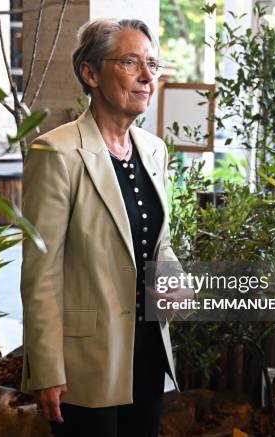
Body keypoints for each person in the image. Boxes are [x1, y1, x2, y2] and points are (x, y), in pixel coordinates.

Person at [20, 18, 183, 437]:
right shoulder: (56, 152)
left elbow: (157, 242)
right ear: (90, 73)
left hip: (148, 348)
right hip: (84, 362)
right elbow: (41, 274)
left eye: (152, 64)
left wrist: (174, 281)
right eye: (131, 63)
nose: (148, 77)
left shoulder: (154, 150)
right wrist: (46, 368)